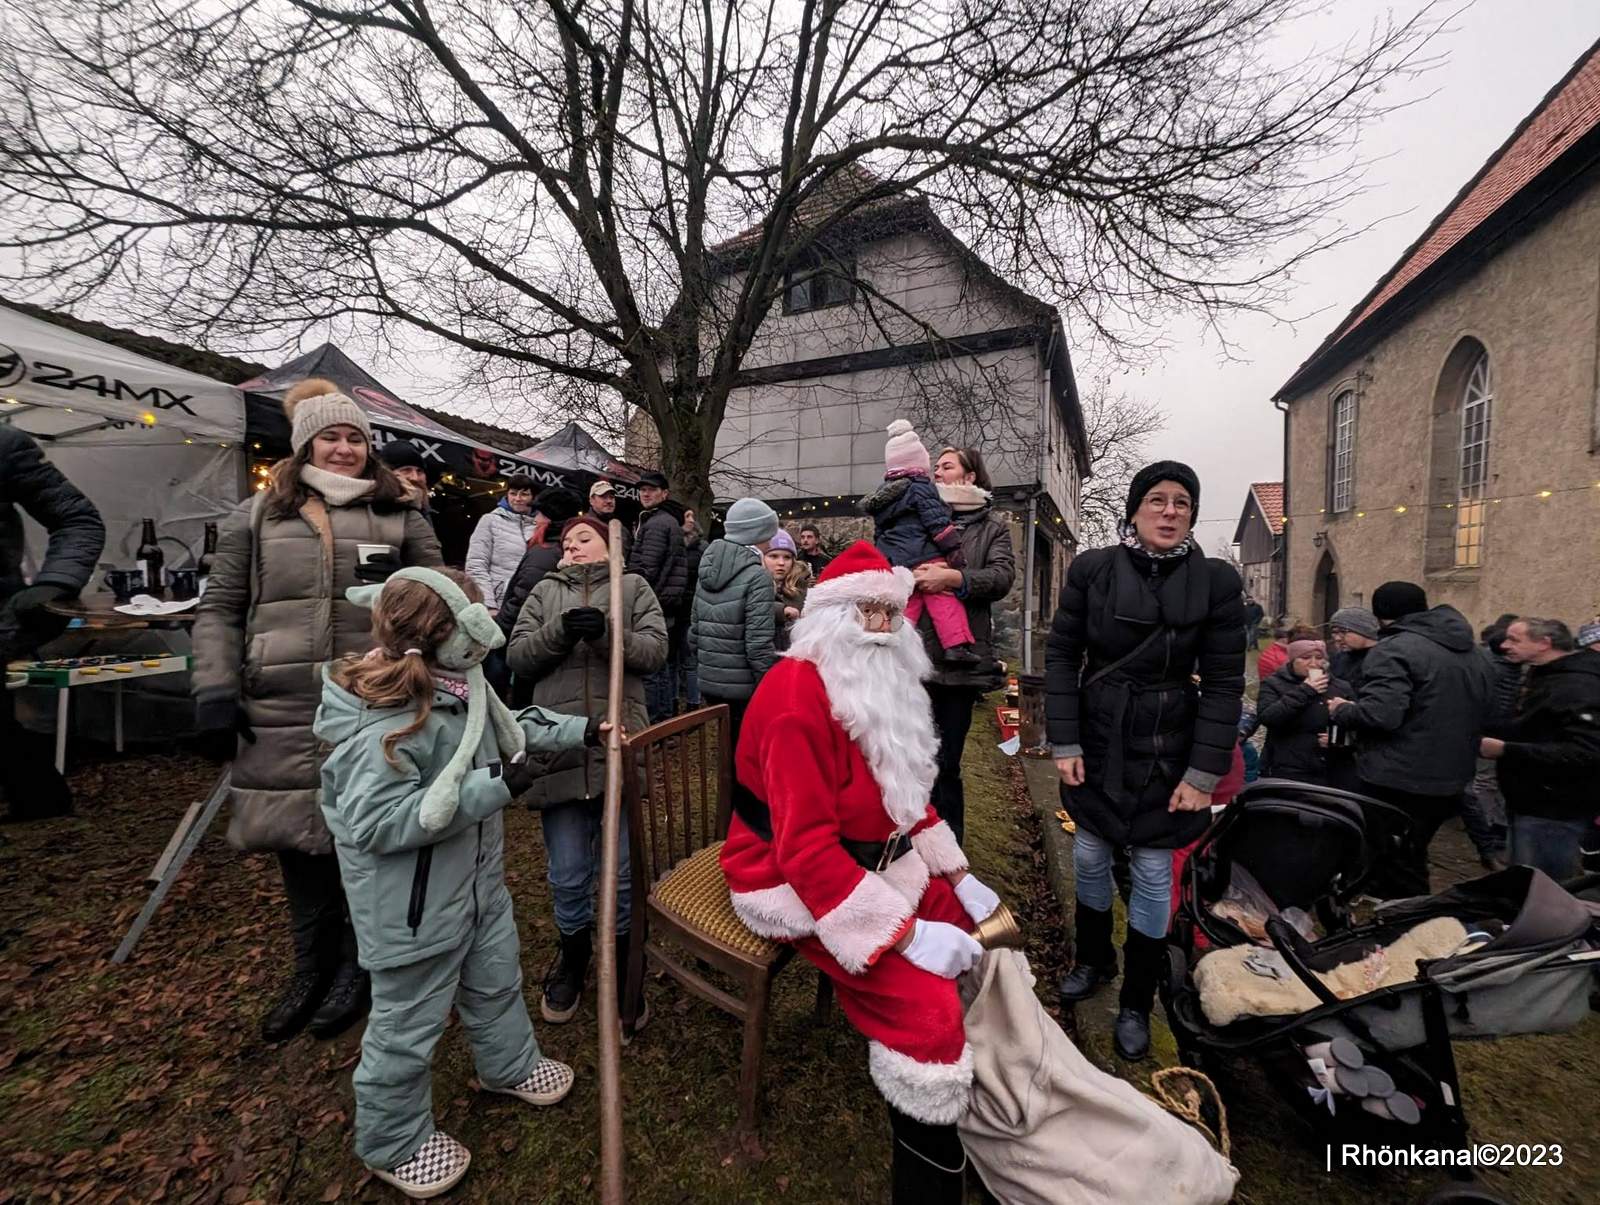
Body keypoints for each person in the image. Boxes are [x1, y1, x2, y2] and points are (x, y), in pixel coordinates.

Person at [720, 540, 1003, 1203]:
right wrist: (903, 937)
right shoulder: (797, 696)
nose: (881, 626)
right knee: (926, 1011)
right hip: (789, 880)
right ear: (827, 618)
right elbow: (804, 852)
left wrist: (954, 872)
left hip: (877, 857)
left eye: (891, 611)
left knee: (985, 934)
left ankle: (993, 1097)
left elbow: (906, 790)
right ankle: (930, 1177)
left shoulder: (885, 684)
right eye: (865, 611)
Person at [315, 567, 594, 1199]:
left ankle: (509, 1065)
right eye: (470, 625)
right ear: (433, 634)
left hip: (476, 890)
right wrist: (493, 788)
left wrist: (583, 731)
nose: (484, 639)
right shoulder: (379, 725)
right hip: (411, 912)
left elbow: (508, 720)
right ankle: (393, 1141)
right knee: (407, 1028)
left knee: (497, 983)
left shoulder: (458, 683)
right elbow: (377, 822)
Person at [192, 376, 443, 1044]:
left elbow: (440, 600)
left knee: (366, 838)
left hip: (373, 705)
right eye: (329, 435)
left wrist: (419, 670)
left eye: (354, 436)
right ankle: (311, 966)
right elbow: (218, 608)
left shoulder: (401, 513)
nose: (342, 448)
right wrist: (214, 689)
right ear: (305, 444)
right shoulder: (257, 515)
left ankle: (359, 966)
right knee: (297, 843)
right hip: (279, 705)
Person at [1046, 460, 1244, 1060]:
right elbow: (1061, 656)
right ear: (1134, 510)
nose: (1169, 511)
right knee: (1088, 852)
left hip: (1170, 745)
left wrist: (1202, 774)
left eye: (1182, 502)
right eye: (1156, 500)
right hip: (1100, 736)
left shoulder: (1216, 583)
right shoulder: (1093, 571)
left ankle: (1136, 999)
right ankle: (1094, 960)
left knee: (1155, 874)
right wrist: (1066, 742)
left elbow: (1225, 683)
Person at [506, 515, 667, 1026]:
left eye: (585, 538)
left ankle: (621, 964)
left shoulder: (633, 587)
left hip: (619, 738)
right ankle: (574, 959)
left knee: (620, 872)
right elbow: (518, 657)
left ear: (608, 547)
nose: (573, 546)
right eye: (568, 541)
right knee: (569, 870)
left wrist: (606, 635)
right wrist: (558, 632)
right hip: (560, 748)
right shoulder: (542, 592)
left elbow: (655, 653)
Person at [1324, 581, 1491, 898]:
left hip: (1399, 778)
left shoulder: (1395, 648)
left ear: (1381, 615)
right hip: (1452, 774)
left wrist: (1343, 710)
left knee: (1400, 864)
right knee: (1409, 852)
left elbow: (1381, 716)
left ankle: (1406, 927)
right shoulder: (1473, 652)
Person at [1, 427, 104, 821]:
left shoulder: (6, 446)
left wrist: (55, 584)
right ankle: (40, 799)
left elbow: (77, 519)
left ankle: (40, 799)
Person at [918, 445, 1016, 845]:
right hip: (916, 659)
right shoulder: (922, 521)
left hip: (959, 665)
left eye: (946, 466)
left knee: (946, 763)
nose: (937, 472)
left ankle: (949, 846)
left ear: (970, 476)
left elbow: (1001, 577)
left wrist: (954, 580)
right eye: (935, 467)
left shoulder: (992, 528)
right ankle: (910, 843)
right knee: (912, 761)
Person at [1480, 618, 1600, 881]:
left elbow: (1586, 752)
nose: (1504, 645)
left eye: (1514, 639)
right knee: (1524, 882)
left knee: (1543, 888)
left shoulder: (1577, 686)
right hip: (1529, 802)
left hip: (1553, 810)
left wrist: (1505, 750)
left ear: (1544, 643)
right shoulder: (1543, 675)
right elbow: (1533, 727)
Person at [686, 496, 779, 814]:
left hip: (712, 682)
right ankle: (747, 825)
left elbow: (694, 632)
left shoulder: (708, 566)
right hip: (744, 688)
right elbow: (757, 646)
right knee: (750, 763)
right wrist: (774, 687)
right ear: (760, 533)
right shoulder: (757, 577)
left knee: (728, 758)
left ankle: (729, 817)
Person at [859, 419, 979, 664]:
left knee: (905, 602)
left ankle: (893, 644)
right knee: (943, 597)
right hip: (923, 553)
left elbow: (879, 533)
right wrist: (954, 553)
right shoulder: (920, 488)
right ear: (919, 463)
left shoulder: (883, 496)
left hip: (895, 562)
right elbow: (937, 524)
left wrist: (883, 562)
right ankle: (956, 645)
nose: (935, 473)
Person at [627, 470, 688, 723]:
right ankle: (664, 719)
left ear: (664, 493)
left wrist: (625, 579)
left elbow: (647, 569)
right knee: (662, 665)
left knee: (651, 666)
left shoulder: (657, 524)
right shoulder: (664, 520)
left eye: (651, 489)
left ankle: (654, 722)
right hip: (665, 602)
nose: (646, 493)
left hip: (654, 602)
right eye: (642, 490)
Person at [1256, 637, 1352, 786]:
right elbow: (1268, 717)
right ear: (1293, 660)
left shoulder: (1341, 686)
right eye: (1305, 658)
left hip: (1331, 769)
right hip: (1288, 768)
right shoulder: (1273, 684)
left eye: (1319, 658)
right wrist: (1305, 690)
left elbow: (1356, 724)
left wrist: (1339, 739)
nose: (1314, 663)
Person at [464, 474, 537, 612]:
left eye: (524, 494)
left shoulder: (540, 525)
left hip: (529, 605)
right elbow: (476, 564)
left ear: (533, 497)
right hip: (498, 603)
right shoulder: (490, 520)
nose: (517, 499)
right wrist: (488, 604)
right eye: (513, 493)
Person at [764, 529, 811, 652]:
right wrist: (781, 610)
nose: (781, 563)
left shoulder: (801, 587)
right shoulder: (751, 584)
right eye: (773, 556)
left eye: (787, 557)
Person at [376, 440, 436, 529]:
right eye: (406, 470)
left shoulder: (433, 516)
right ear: (387, 475)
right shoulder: (375, 512)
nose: (415, 477)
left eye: (419, 471)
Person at [680, 509, 706, 708]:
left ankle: (693, 702)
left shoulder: (701, 548)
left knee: (690, 659)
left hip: (692, 608)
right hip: (677, 608)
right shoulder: (673, 544)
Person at [1328, 606, 1379, 694]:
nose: (1337, 638)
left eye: (1343, 631)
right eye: (1334, 632)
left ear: (1363, 630)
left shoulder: (1385, 659)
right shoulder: (1337, 660)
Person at [587, 478, 632, 560]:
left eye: (611, 497)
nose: (609, 501)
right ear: (591, 500)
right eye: (603, 497)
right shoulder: (581, 526)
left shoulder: (622, 530)